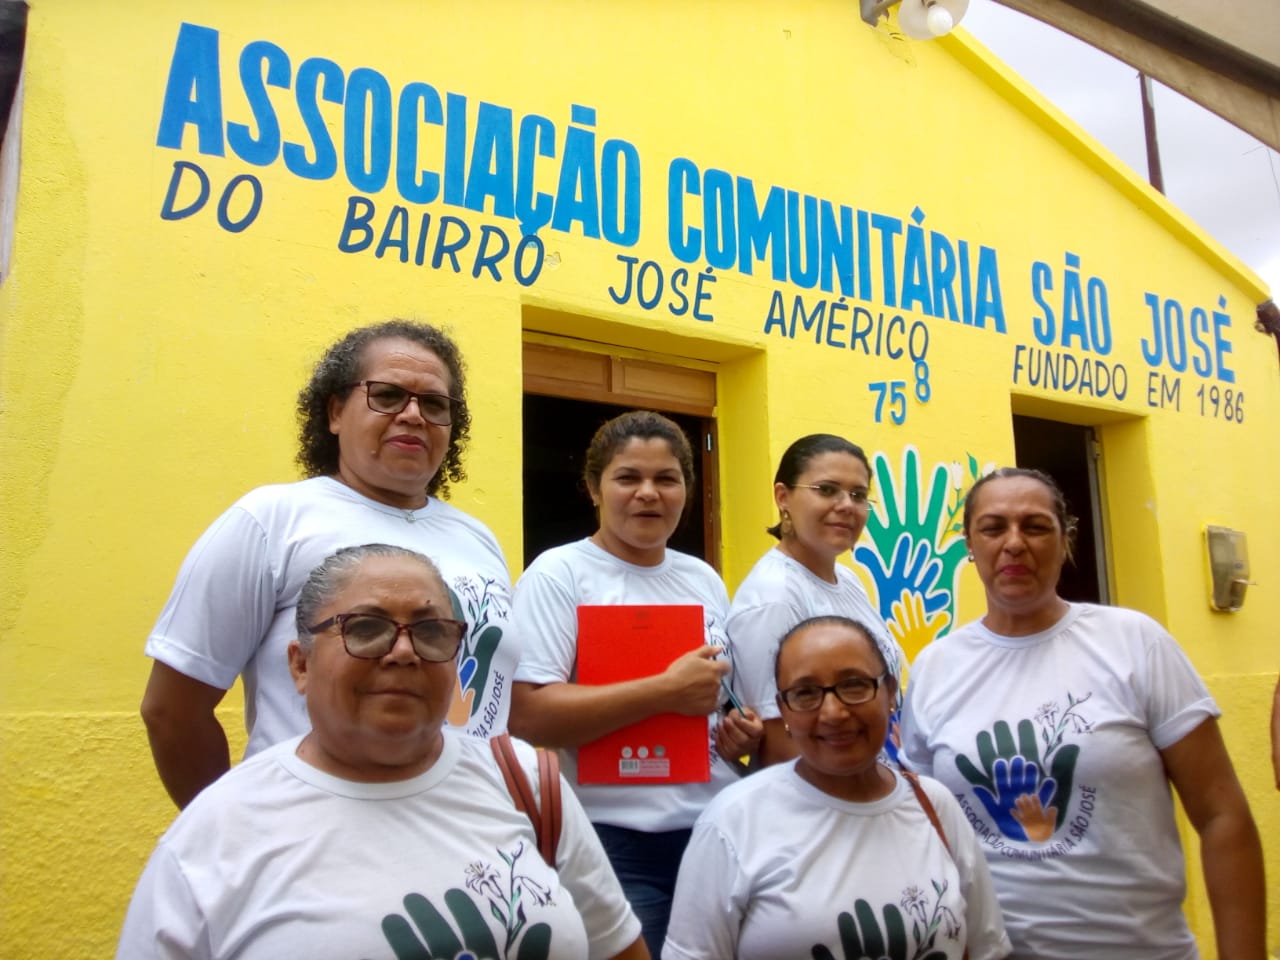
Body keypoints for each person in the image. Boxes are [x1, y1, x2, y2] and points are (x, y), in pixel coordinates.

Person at [119, 544, 648, 960]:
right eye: (365, 628)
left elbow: (618, 948)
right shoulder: (217, 833)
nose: (402, 652)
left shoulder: (528, 783)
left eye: (431, 630)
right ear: (300, 665)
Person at [141, 320, 517, 809]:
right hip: (316, 846)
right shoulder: (271, 521)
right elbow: (172, 712)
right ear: (336, 411)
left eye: (434, 404)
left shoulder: (478, 538)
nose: (412, 415)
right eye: (386, 395)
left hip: (467, 832)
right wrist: (236, 834)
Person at [900, 467, 1265, 959]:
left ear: (1066, 539)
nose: (1014, 543)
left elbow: (1223, 816)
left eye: (1035, 526)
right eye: (993, 527)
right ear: (969, 543)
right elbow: (924, 832)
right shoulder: (935, 668)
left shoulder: (1134, 643)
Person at [508, 410, 744, 958]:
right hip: (611, 838)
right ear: (594, 488)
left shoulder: (702, 577)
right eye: (627, 478)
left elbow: (718, 696)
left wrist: (737, 730)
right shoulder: (559, 573)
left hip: (712, 827)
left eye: (666, 479)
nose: (648, 494)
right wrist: (665, 690)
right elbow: (529, 713)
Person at [663, 615, 1010, 960]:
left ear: (890, 691)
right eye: (805, 693)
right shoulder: (733, 821)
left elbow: (987, 948)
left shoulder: (934, 805)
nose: (833, 712)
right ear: (783, 709)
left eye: (854, 685)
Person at [725, 433, 905, 766]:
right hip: (825, 803)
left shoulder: (848, 581)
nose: (847, 505)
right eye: (826, 490)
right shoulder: (774, 596)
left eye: (858, 494)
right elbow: (782, 745)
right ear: (783, 497)